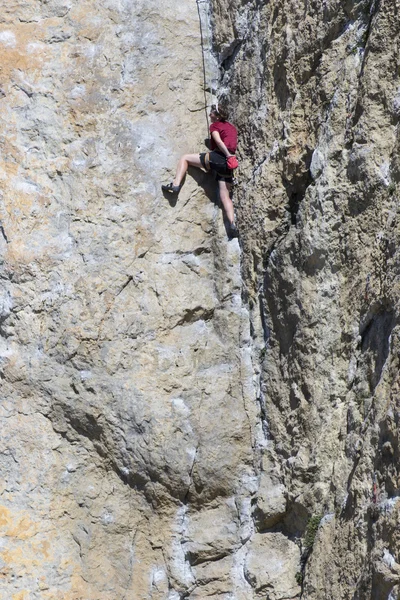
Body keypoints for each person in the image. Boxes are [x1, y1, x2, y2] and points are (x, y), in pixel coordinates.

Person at [162, 105, 239, 238]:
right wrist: (230, 157)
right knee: (225, 197)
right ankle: (232, 225)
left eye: (212, 114)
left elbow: (219, 142)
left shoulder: (214, 126)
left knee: (185, 158)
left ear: (218, 116)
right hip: (227, 166)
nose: (210, 116)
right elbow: (229, 142)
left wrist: (227, 155)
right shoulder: (231, 127)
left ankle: (175, 185)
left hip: (220, 157)